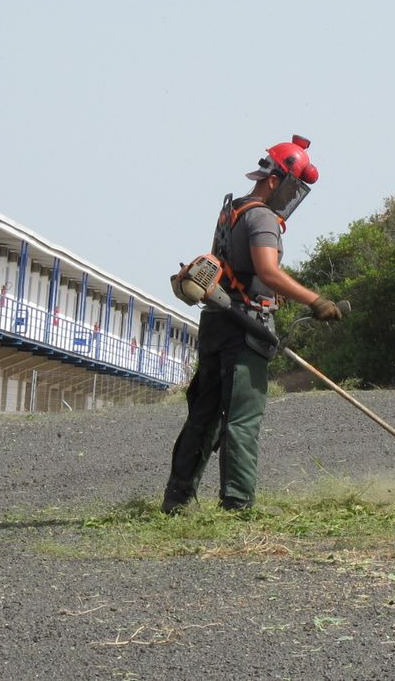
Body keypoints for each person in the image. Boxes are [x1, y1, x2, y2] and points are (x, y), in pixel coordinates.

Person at [163, 136, 343, 513]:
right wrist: (316, 300)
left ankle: (177, 500)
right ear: (276, 180)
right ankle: (238, 503)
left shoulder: (233, 212)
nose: (293, 196)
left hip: (216, 323)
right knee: (241, 419)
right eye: (294, 186)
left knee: (204, 415)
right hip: (244, 327)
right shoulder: (262, 217)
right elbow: (268, 272)